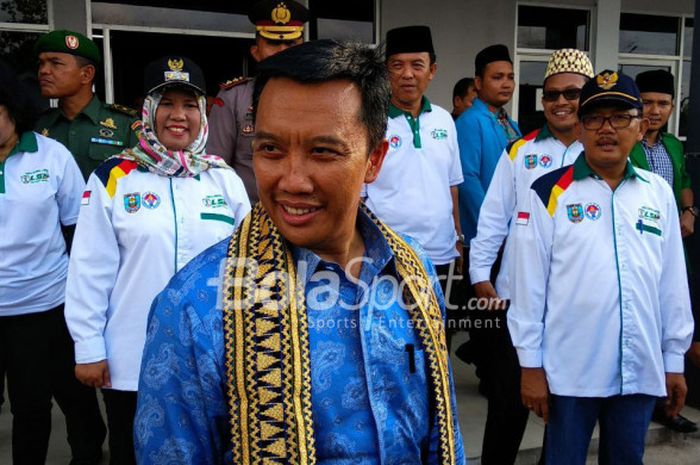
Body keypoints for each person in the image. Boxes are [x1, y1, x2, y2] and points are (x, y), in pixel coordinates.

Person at [134, 40, 466, 465]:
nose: (292, 181)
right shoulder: (193, 308)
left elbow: (443, 429)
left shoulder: (412, 270)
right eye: (270, 149)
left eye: (323, 152)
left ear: (374, 159)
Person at [64, 56, 251, 465]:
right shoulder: (115, 176)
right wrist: (88, 346)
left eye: (189, 104)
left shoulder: (224, 179)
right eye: (166, 103)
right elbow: (89, 269)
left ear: (203, 114)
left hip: (216, 355)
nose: (178, 116)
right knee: (133, 452)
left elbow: (247, 267)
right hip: (132, 357)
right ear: (147, 112)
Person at [509, 70, 693, 464]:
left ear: (641, 127)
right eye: (594, 118)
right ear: (579, 128)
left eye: (620, 117)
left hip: (640, 366)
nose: (606, 129)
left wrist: (673, 359)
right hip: (571, 371)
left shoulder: (657, 192)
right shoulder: (548, 191)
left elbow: (672, 281)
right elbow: (528, 287)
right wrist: (530, 365)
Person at [467, 48, 593, 465]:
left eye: (571, 94)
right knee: (507, 407)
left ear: (588, 96)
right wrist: (481, 274)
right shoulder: (520, 151)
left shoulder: (603, 154)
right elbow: (493, 218)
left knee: (564, 415)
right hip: (516, 305)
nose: (560, 102)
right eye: (551, 94)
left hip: (574, 312)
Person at [0, 61, 106, 465]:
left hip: (41, 307)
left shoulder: (51, 156)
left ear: (12, 108)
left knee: (33, 405)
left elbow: (78, 230)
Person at [363, 25, 464, 308]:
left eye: (417, 65)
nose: (407, 74)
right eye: (398, 66)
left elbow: (451, 185)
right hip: (389, 253)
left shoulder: (445, 120)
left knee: (439, 333)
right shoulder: (371, 121)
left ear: (432, 70)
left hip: (441, 252)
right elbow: (357, 195)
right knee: (394, 333)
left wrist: (458, 236)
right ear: (386, 72)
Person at [630, 69, 699, 433]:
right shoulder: (625, 142)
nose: (654, 111)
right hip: (636, 249)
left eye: (663, 103)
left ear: (672, 107)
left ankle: (667, 403)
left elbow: (683, 183)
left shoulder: (672, 145)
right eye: (648, 102)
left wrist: (689, 211)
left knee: (671, 321)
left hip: (670, 249)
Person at [207, 0, 309, 202]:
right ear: (255, 51)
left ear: (303, 49)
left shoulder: (319, 97)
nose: (282, 51)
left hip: (305, 212)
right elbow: (216, 169)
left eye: (290, 44)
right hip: (250, 217)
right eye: (273, 43)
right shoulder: (233, 97)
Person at [34, 30, 139, 180]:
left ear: (87, 74)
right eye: (41, 64)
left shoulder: (125, 125)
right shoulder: (37, 125)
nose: (43, 71)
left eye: (55, 63)